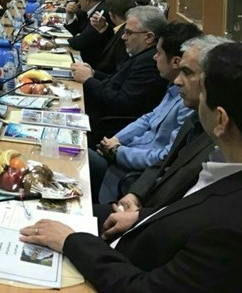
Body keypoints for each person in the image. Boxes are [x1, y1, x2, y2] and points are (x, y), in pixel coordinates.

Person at [19, 41, 242, 293]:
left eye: (203, 94)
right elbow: (177, 195)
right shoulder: (213, 148)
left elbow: (145, 287)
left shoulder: (229, 228)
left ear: (220, 120)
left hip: (119, 265)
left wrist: (71, 242)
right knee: (34, 205)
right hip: (137, 225)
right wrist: (140, 216)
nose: (180, 83)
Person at [89, 22, 202, 202]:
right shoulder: (173, 88)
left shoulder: (188, 104)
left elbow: (165, 157)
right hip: (123, 155)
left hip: (131, 176)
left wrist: (119, 152)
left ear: (175, 62)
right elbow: (149, 118)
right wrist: (117, 140)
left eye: (158, 53)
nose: (154, 57)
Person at [72, 6, 169, 134]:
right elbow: (115, 81)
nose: (123, 37)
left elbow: (119, 103)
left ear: (149, 37)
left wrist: (88, 80)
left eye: (128, 32)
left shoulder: (150, 63)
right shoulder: (140, 54)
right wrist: (93, 73)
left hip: (104, 125)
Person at [88, 0, 137, 75]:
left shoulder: (125, 35)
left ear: (111, 15)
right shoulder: (124, 30)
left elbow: (116, 71)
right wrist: (103, 28)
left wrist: (91, 73)